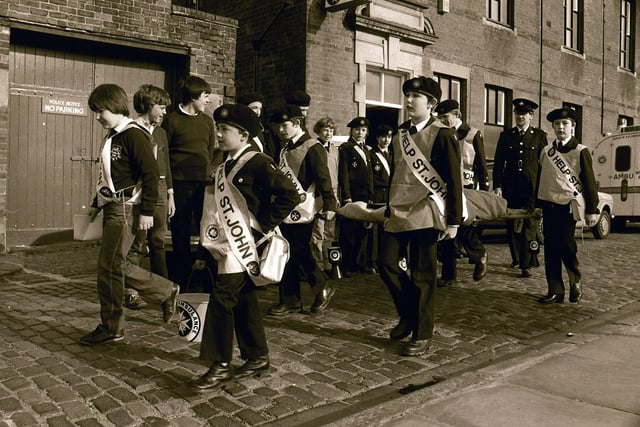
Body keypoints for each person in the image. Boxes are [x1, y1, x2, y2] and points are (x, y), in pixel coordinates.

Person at [192, 103, 300, 391]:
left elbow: (291, 195)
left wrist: (261, 226)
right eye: (217, 128)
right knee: (244, 301)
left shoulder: (258, 162)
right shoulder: (222, 165)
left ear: (242, 134)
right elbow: (213, 212)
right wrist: (204, 251)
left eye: (224, 129)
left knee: (222, 300)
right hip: (225, 246)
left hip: (243, 248)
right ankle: (257, 356)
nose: (218, 134)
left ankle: (220, 363)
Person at [80, 83, 180, 346]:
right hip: (115, 206)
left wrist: (147, 210)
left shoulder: (132, 135)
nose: (98, 116)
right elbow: (113, 177)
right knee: (114, 265)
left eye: (100, 110)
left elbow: (150, 173)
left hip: (126, 210)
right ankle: (165, 291)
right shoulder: (115, 135)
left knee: (110, 267)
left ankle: (112, 326)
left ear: (114, 106)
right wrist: (96, 203)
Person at [377, 76, 463, 357]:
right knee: (386, 263)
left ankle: (422, 333)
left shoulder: (443, 134)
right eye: (408, 95)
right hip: (399, 210)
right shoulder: (401, 133)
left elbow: (454, 180)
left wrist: (453, 221)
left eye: (417, 96)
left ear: (432, 104)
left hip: (427, 210)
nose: (410, 100)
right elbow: (397, 174)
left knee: (424, 274)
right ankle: (409, 314)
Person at [267, 105, 337, 317]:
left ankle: (321, 286)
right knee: (287, 253)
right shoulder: (285, 148)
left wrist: (330, 205)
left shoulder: (312, 147)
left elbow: (324, 178)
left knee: (299, 250)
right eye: (278, 125)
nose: (280, 129)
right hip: (286, 208)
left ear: (297, 123)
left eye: (284, 124)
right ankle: (290, 299)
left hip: (304, 209)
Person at [537, 107, 599, 304]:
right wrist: (537, 205)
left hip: (568, 207)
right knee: (551, 249)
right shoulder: (547, 151)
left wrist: (592, 209)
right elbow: (540, 178)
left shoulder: (581, 151)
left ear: (573, 126)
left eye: (565, 124)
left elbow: (589, 182)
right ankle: (555, 289)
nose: (560, 127)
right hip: (549, 206)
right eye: (557, 124)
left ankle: (575, 282)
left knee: (566, 246)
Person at [161, 76, 216, 291]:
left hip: (202, 185)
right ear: (194, 97)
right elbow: (165, 154)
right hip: (180, 186)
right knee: (180, 234)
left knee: (207, 230)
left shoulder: (206, 121)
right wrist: (171, 190)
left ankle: (204, 276)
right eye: (205, 96)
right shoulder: (172, 120)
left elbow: (210, 150)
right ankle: (182, 283)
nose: (207, 101)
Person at [124, 85, 175, 310]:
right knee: (138, 243)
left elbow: (167, 166)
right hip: (140, 187)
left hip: (161, 188)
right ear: (148, 105)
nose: (164, 113)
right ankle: (132, 292)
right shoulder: (132, 130)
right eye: (161, 107)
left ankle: (163, 291)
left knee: (158, 241)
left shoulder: (162, 132)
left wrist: (170, 194)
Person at [434, 99, 490, 286]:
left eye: (445, 117)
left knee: (463, 226)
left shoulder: (472, 134)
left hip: (467, 187)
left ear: (457, 115)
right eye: (440, 117)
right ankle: (449, 275)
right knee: (446, 226)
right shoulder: (441, 133)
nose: (443, 120)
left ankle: (479, 254)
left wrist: (484, 188)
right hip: (446, 186)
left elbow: (481, 164)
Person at [493, 98, 547, 278]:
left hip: (531, 187)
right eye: (517, 114)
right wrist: (498, 185)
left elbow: (545, 164)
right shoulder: (506, 136)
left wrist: (543, 189)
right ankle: (516, 258)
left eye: (523, 114)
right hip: (511, 186)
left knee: (529, 225)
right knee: (511, 223)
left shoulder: (539, 136)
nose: (520, 117)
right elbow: (499, 162)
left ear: (531, 116)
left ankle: (527, 263)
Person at [338, 117, 374, 275]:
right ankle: (346, 265)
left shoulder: (367, 149)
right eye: (357, 130)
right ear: (351, 131)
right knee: (349, 233)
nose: (360, 133)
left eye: (363, 130)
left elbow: (370, 176)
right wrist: (347, 196)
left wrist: (371, 196)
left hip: (365, 196)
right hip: (352, 195)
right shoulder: (346, 148)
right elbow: (344, 174)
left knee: (363, 232)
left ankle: (360, 263)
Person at [310, 117, 340, 274]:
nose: (328, 133)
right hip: (319, 193)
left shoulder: (335, 149)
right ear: (319, 131)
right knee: (318, 232)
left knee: (330, 231)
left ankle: (329, 264)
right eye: (325, 130)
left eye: (331, 130)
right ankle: (318, 265)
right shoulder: (314, 148)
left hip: (333, 193)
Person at [367, 124, 394, 273]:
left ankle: (386, 260)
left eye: (389, 137)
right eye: (383, 137)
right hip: (377, 195)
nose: (386, 140)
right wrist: (370, 198)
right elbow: (370, 178)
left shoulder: (392, 155)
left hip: (390, 196)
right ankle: (373, 261)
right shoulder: (371, 155)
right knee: (375, 233)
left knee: (388, 230)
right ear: (377, 138)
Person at [237, 92, 278, 159]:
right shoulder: (237, 130)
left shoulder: (259, 131)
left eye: (260, 109)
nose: (258, 112)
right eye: (254, 108)